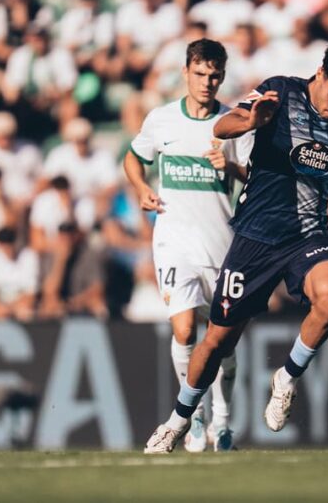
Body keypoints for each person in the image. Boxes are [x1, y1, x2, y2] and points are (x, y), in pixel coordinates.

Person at [143, 40, 328, 452]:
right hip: (255, 238)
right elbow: (221, 127)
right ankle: (177, 422)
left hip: (307, 235)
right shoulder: (281, 91)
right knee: (217, 342)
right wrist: (250, 122)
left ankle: (286, 377)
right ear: (320, 73)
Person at [128, 39, 249, 453]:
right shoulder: (162, 120)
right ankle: (194, 417)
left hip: (222, 244)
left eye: (215, 75)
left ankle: (224, 420)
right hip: (174, 240)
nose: (207, 82)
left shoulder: (234, 123)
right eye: (200, 74)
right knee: (184, 330)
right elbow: (133, 157)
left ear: (222, 77)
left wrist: (230, 166)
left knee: (224, 341)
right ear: (186, 73)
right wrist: (142, 186)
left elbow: (255, 176)